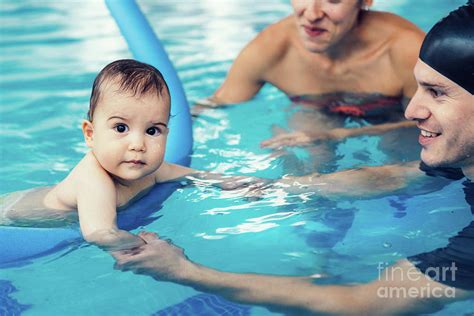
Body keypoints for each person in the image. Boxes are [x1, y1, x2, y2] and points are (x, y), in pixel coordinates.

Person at [113, 2, 474, 314]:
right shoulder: (460, 156)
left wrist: (183, 271)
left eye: (437, 93)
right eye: (419, 88)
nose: (411, 109)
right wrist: (266, 187)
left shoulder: (400, 45)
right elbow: (401, 175)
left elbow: (365, 304)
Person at [0, 59, 261, 252]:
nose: (138, 144)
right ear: (90, 134)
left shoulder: (148, 169)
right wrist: (144, 246)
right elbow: (100, 233)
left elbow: (193, 176)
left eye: (152, 130)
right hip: (13, 213)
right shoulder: (94, 180)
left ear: (166, 133)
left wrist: (231, 183)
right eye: (121, 128)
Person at [194, 0, 424, 149]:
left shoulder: (406, 50)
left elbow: (433, 124)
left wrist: (338, 135)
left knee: (396, 151)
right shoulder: (272, 48)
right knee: (304, 152)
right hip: (316, 110)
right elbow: (215, 105)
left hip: (395, 117)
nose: (312, 14)